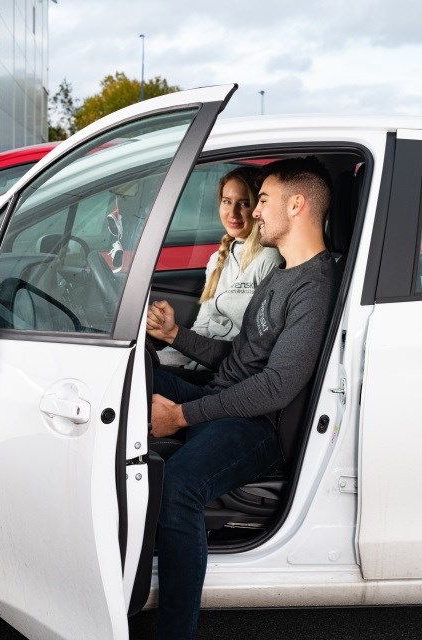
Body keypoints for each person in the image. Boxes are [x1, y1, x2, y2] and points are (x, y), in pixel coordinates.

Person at [146, 156, 337, 639]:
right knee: (129, 374)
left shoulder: (313, 286)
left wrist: (182, 416)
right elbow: (240, 356)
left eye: (264, 200)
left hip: (257, 426)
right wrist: (175, 335)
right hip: (224, 397)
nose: (254, 213)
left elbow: (276, 386)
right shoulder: (282, 273)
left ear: (296, 205)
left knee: (178, 489)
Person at [158, 166, 282, 371]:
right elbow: (202, 329)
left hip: (230, 372)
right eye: (227, 202)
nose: (232, 213)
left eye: (244, 203)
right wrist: (158, 360)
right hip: (202, 363)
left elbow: (261, 347)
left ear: (258, 208)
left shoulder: (269, 258)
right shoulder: (217, 259)